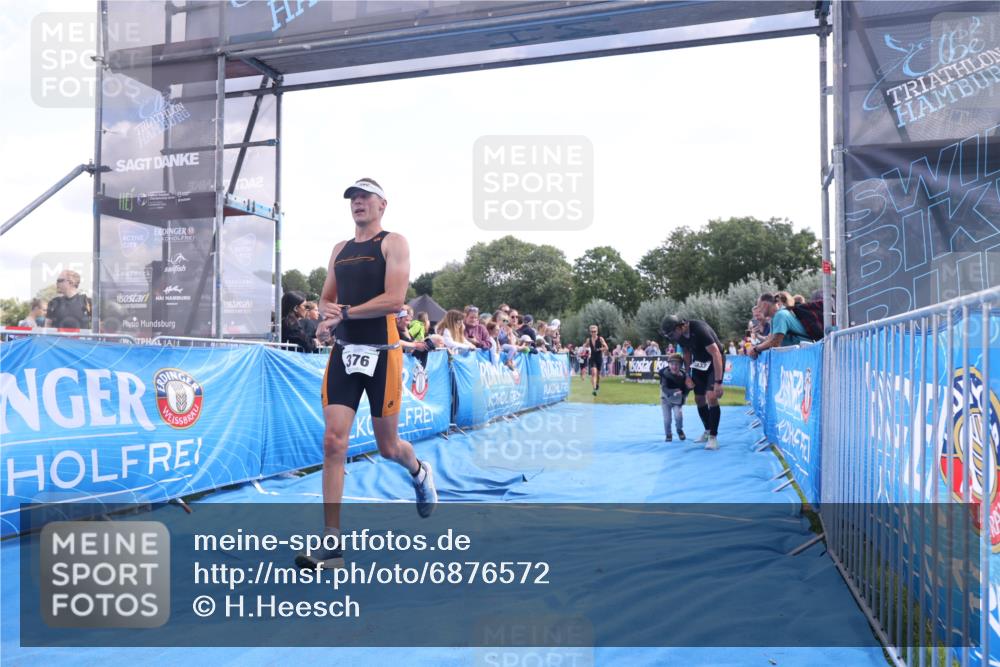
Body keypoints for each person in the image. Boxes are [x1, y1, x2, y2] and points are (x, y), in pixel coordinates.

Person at [296, 177, 436, 570]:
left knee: (388, 447)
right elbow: (326, 297)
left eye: (364, 198)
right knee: (332, 442)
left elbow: (394, 299)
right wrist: (327, 318)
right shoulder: (340, 249)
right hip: (345, 352)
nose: (357, 203)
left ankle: (419, 470)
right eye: (352, 199)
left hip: (383, 352)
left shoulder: (394, 243)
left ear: (382, 205)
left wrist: (345, 314)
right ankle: (332, 545)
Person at [661, 314, 725, 451]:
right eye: (669, 336)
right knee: (699, 399)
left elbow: (716, 354)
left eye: (672, 334)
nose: (672, 338)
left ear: (681, 326)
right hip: (699, 364)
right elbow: (687, 354)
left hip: (714, 362)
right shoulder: (680, 336)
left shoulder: (700, 329)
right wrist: (688, 375)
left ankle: (713, 437)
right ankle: (707, 431)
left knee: (711, 397)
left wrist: (718, 382)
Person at [749, 292, 810, 357]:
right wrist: (757, 336)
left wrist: (756, 349)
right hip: (801, 354)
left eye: (759, 307)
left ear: (765, 305)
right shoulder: (776, 317)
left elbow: (775, 342)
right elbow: (770, 340)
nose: (759, 310)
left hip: (805, 354)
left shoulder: (780, 315)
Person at [657, 353, 688, 442]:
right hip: (665, 399)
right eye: (672, 364)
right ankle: (668, 434)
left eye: (677, 364)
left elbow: (685, 390)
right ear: (669, 365)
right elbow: (664, 388)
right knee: (667, 419)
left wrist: (688, 389)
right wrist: (673, 392)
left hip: (677, 400)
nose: (674, 366)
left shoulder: (684, 376)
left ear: (681, 365)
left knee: (678, 417)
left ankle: (679, 430)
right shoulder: (665, 374)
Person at [582, 324, 608, 396]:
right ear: (590, 332)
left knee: (598, 375)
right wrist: (584, 349)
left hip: (599, 358)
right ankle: (594, 389)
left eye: (595, 331)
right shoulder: (589, 340)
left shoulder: (600, 339)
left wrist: (599, 349)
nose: (593, 333)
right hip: (592, 358)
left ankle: (597, 385)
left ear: (597, 332)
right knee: (594, 373)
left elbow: (606, 347)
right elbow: (585, 346)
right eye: (592, 331)